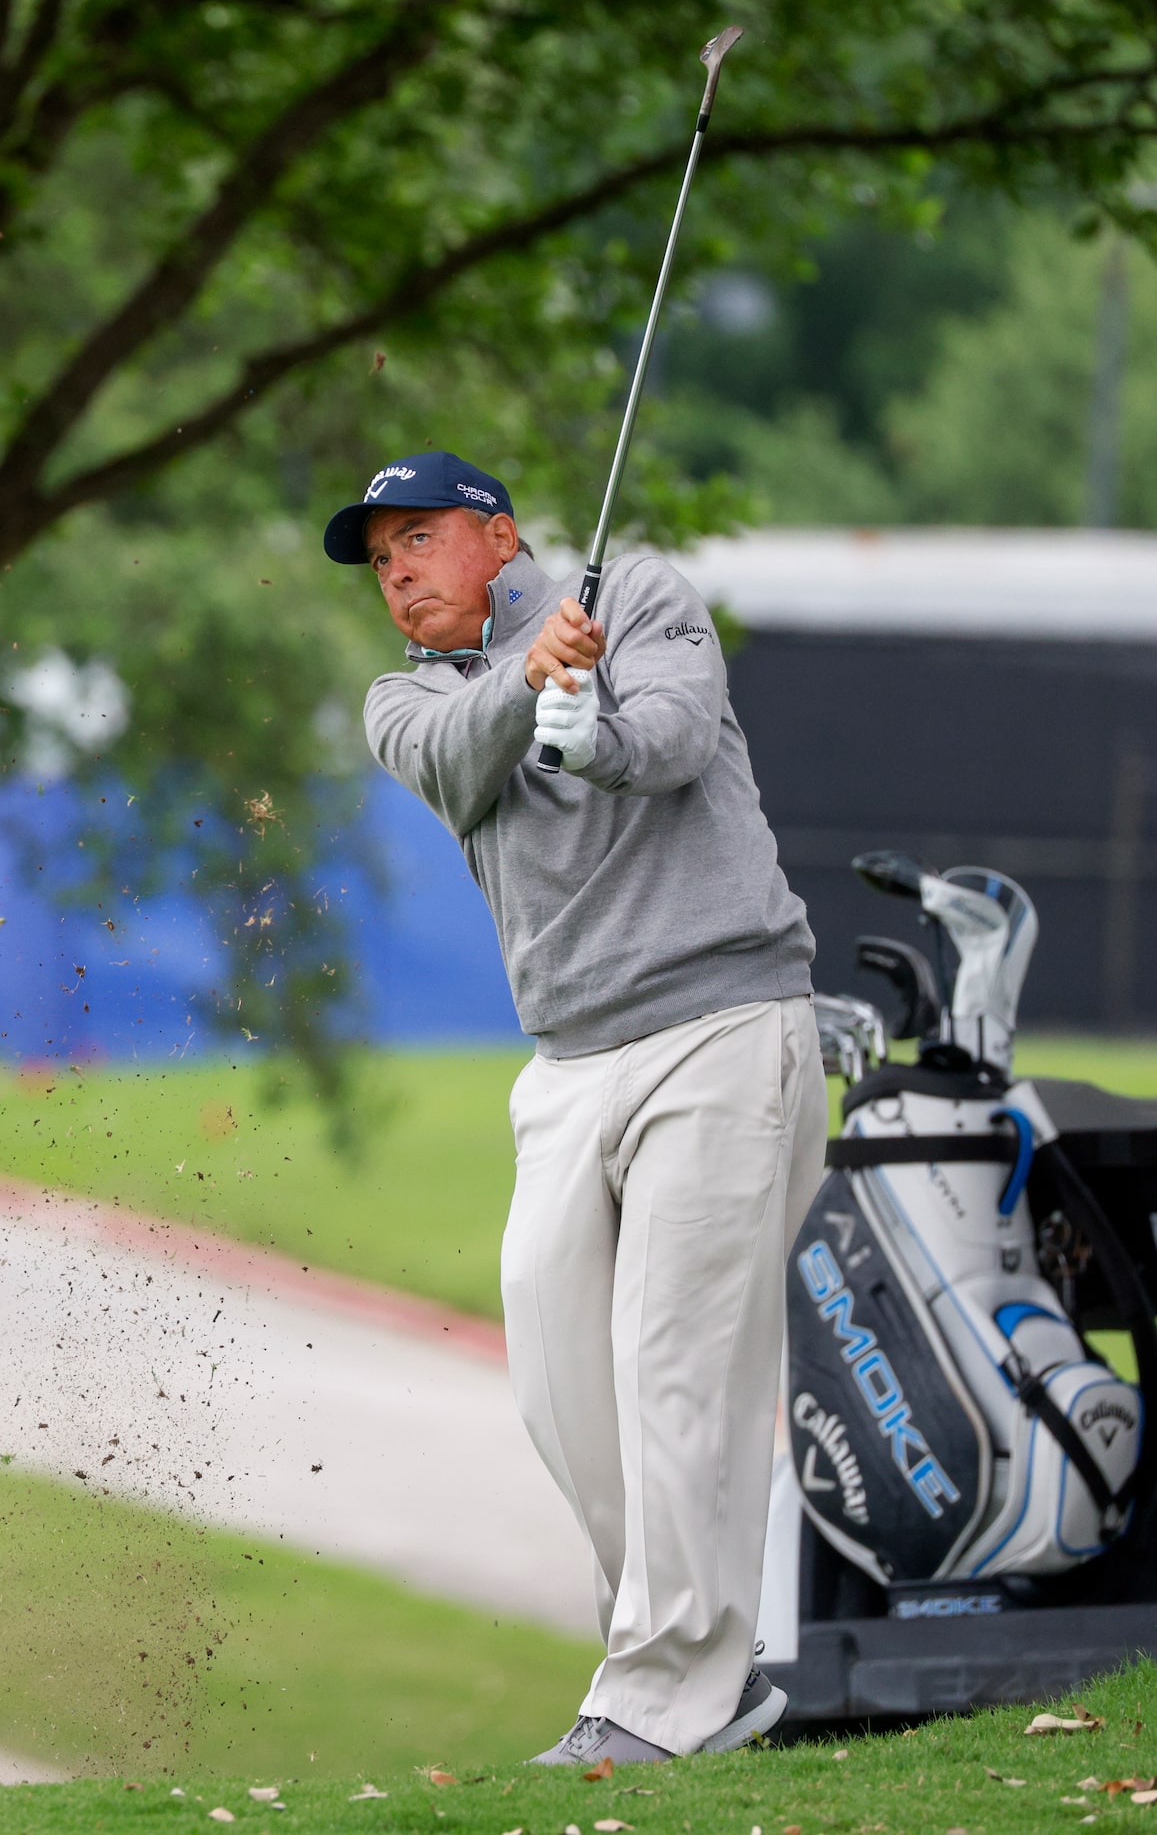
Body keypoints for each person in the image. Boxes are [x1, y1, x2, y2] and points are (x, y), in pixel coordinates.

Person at [325, 450, 827, 1765]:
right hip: (566, 1063)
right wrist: (526, 677)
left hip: (720, 1022)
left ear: (495, 537)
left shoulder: (644, 599)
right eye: (380, 560)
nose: (396, 574)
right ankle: (678, 1666)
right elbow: (449, 756)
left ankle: (663, 1697)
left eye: (417, 539)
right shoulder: (404, 699)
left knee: (678, 1371)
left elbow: (664, 746)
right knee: (562, 1385)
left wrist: (584, 715)